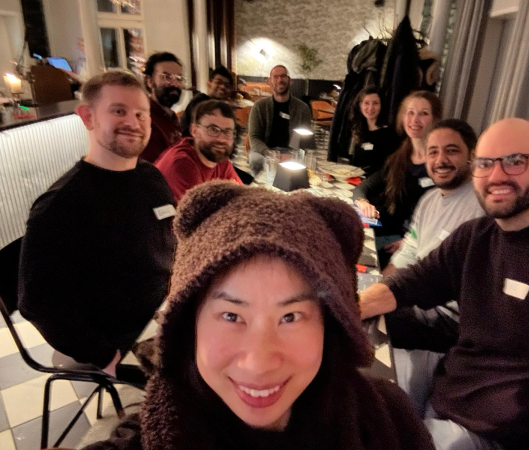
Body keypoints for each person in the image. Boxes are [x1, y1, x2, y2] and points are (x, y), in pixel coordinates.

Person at [82, 181, 435, 450]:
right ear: (189, 325)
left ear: (333, 324)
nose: (259, 363)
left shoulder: (391, 424)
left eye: (291, 316)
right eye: (232, 316)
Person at [359, 118, 529, 449]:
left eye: (515, 161)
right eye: (485, 164)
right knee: (348, 381)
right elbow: (410, 283)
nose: (497, 175)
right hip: (450, 385)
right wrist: (348, 309)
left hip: (501, 431)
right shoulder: (476, 236)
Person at [18, 71, 176, 380]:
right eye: (119, 111)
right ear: (87, 116)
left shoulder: (150, 178)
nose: (134, 122)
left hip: (162, 311)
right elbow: (38, 304)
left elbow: (168, 240)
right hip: (119, 339)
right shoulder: (59, 207)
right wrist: (105, 356)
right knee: (207, 384)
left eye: (141, 114)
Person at [381, 119, 484, 353]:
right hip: (416, 299)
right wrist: (381, 285)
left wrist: (386, 296)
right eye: (433, 152)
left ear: (472, 155)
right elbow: (407, 251)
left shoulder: (482, 207)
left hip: (449, 321)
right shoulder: (429, 200)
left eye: (452, 150)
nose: (441, 160)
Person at [355, 90, 442, 269]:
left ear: (435, 119)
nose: (414, 119)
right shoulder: (400, 157)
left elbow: (443, 217)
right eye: (410, 112)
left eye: (423, 113)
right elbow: (364, 187)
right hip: (387, 232)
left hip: (412, 246)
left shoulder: (439, 164)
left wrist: (408, 243)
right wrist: (363, 203)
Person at [155, 100, 242, 203]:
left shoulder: (219, 158)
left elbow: (242, 195)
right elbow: (201, 214)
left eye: (227, 131)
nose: (221, 139)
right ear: (194, 130)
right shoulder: (182, 163)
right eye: (213, 129)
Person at [247, 65, 312, 175]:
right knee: (255, 160)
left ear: (290, 80)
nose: (280, 80)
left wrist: (293, 155)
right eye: (275, 77)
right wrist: (270, 154)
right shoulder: (259, 106)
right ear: (269, 81)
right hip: (265, 150)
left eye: (283, 76)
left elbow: (305, 140)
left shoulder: (303, 108)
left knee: (308, 163)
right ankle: (260, 189)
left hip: (291, 151)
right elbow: (254, 137)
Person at [139, 52, 184, 163]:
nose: (174, 84)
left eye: (179, 78)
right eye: (167, 77)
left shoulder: (172, 117)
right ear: (149, 81)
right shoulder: (145, 121)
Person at [349, 86, 399, 175]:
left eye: (375, 103)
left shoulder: (389, 134)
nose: (370, 108)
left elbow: (388, 169)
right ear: (360, 106)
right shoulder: (360, 130)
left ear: (381, 106)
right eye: (366, 103)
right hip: (358, 181)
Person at [180, 66, 234, 138]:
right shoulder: (199, 102)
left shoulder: (222, 108)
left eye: (227, 85)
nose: (222, 87)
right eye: (219, 82)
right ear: (209, 84)